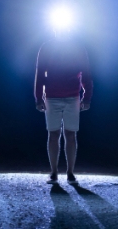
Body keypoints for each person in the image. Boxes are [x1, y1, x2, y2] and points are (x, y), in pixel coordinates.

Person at [34, 34, 93, 184]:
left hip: (72, 97)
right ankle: (53, 173)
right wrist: (38, 97)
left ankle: (70, 173)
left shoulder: (78, 48)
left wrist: (87, 97)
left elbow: (86, 73)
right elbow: (40, 73)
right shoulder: (46, 47)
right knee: (53, 134)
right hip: (52, 97)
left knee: (71, 135)